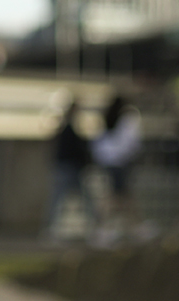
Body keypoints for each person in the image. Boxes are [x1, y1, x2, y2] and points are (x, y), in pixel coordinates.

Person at [42, 100, 97, 240]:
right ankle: (50, 229)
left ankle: (93, 228)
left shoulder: (67, 129)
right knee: (61, 199)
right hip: (68, 168)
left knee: (71, 199)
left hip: (70, 168)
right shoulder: (67, 129)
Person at [92, 93, 142, 243]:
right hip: (120, 161)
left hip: (108, 160)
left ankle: (129, 227)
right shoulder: (127, 119)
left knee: (120, 195)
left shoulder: (108, 116)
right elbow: (131, 142)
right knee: (118, 196)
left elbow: (99, 141)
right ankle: (108, 229)